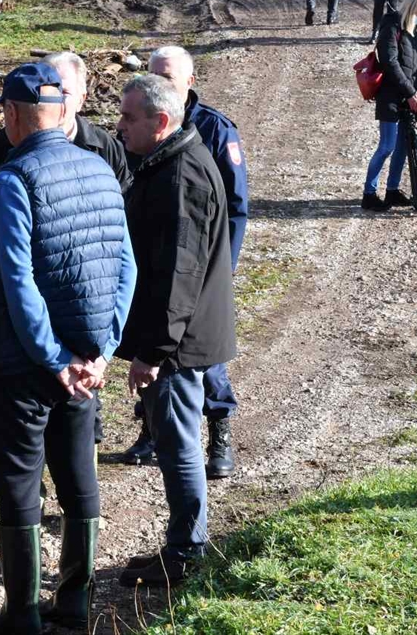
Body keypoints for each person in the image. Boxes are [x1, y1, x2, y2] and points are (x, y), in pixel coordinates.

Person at [0, 63, 136, 632]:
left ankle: (23, 616)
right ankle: (76, 603)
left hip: (28, 364)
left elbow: (17, 279)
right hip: (87, 363)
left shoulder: (13, 180)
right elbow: (126, 269)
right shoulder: (102, 169)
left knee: (19, 482)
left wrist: (52, 357)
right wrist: (104, 350)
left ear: (12, 116)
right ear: (60, 111)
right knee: (78, 474)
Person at [114, 74, 237, 587]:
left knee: (180, 447)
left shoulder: (181, 175)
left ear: (161, 123)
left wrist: (153, 352)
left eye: (128, 118)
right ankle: (183, 545)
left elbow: (178, 276)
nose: (118, 127)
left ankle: (186, 553)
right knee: (175, 444)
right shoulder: (168, 159)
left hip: (179, 346)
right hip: (180, 340)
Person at [120, 46, 247, 481]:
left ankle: (219, 429)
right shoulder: (141, 127)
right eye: (154, 73)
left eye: (169, 77)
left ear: (189, 82)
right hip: (168, 278)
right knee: (165, 385)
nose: (160, 81)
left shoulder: (210, 130)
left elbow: (234, 207)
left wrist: (219, 271)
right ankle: (151, 432)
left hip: (200, 273)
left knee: (203, 367)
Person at [0, 51, 132, 235]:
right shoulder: (0, 145)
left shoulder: (105, 147)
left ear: (81, 100)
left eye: (65, 92)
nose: (55, 100)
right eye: (51, 91)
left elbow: (123, 209)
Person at [363, 0, 417, 211]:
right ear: (412, 9)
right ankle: (369, 193)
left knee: (402, 147)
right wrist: (411, 92)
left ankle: (392, 191)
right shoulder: (391, 27)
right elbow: (390, 63)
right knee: (387, 146)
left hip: (409, 97)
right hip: (390, 97)